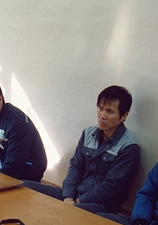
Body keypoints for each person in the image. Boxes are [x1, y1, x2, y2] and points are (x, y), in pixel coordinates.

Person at [23, 86, 140, 214]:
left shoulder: (128, 147)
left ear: (124, 116)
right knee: (24, 186)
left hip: (101, 204)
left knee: (65, 213)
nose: (102, 115)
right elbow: (75, 167)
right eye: (100, 108)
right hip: (73, 195)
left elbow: (110, 186)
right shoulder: (88, 133)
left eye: (109, 112)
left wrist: (78, 202)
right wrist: (68, 197)